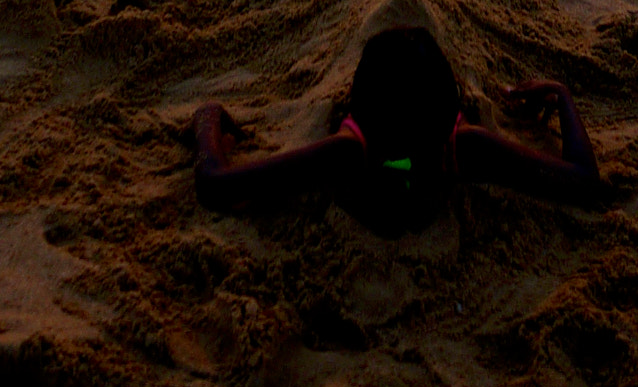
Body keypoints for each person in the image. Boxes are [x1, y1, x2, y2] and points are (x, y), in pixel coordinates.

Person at [193, 26, 601, 236]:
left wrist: (211, 119)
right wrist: (561, 95)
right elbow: (582, 181)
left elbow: (215, 180)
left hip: (395, 82)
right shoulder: (454, 146)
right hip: (402, 83)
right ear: (452, 114)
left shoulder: (454, 145)